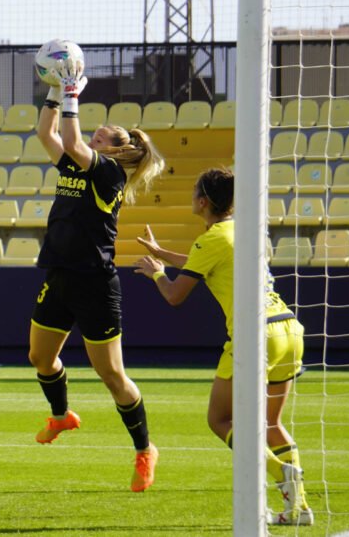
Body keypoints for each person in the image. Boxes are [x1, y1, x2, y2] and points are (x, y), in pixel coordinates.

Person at [133, 167, 313, 525]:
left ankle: (280, 473)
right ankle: (300, 508)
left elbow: (174, 295)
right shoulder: (242, 231)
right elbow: (203, 265)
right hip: (289, 328)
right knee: (271, 423)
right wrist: (162, 253)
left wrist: (155, 272)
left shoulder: (212, 238)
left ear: (203, 201)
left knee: (220, 419)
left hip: (256, 334)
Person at [28, 67, 165, 492]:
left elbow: (69, 139)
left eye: (100, 138)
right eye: (95, 136)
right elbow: (46, 134)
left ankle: (145, 450)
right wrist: (54, 92)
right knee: (40, 358)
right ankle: (61, 415)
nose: (92, 140)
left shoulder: (110, 174)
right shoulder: (77, 164)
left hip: (95, 284)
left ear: (118, 152)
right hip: (61, 275)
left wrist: (72, 93)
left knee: (112, 375)